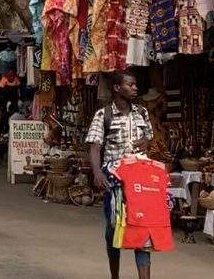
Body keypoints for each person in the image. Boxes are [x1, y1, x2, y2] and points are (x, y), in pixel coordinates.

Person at [87, 71, 154, 279]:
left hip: (140, 182)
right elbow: (95, 147)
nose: (135, 88)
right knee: (114, 232)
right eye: (130, 84)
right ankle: (114, 275)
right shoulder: (103, 115)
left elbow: (149, 137)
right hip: (115, 184)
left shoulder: (142, 113)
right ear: (117, 88)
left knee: (143, 231)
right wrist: (97, 173)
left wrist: (146, 142)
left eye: (135, 85)